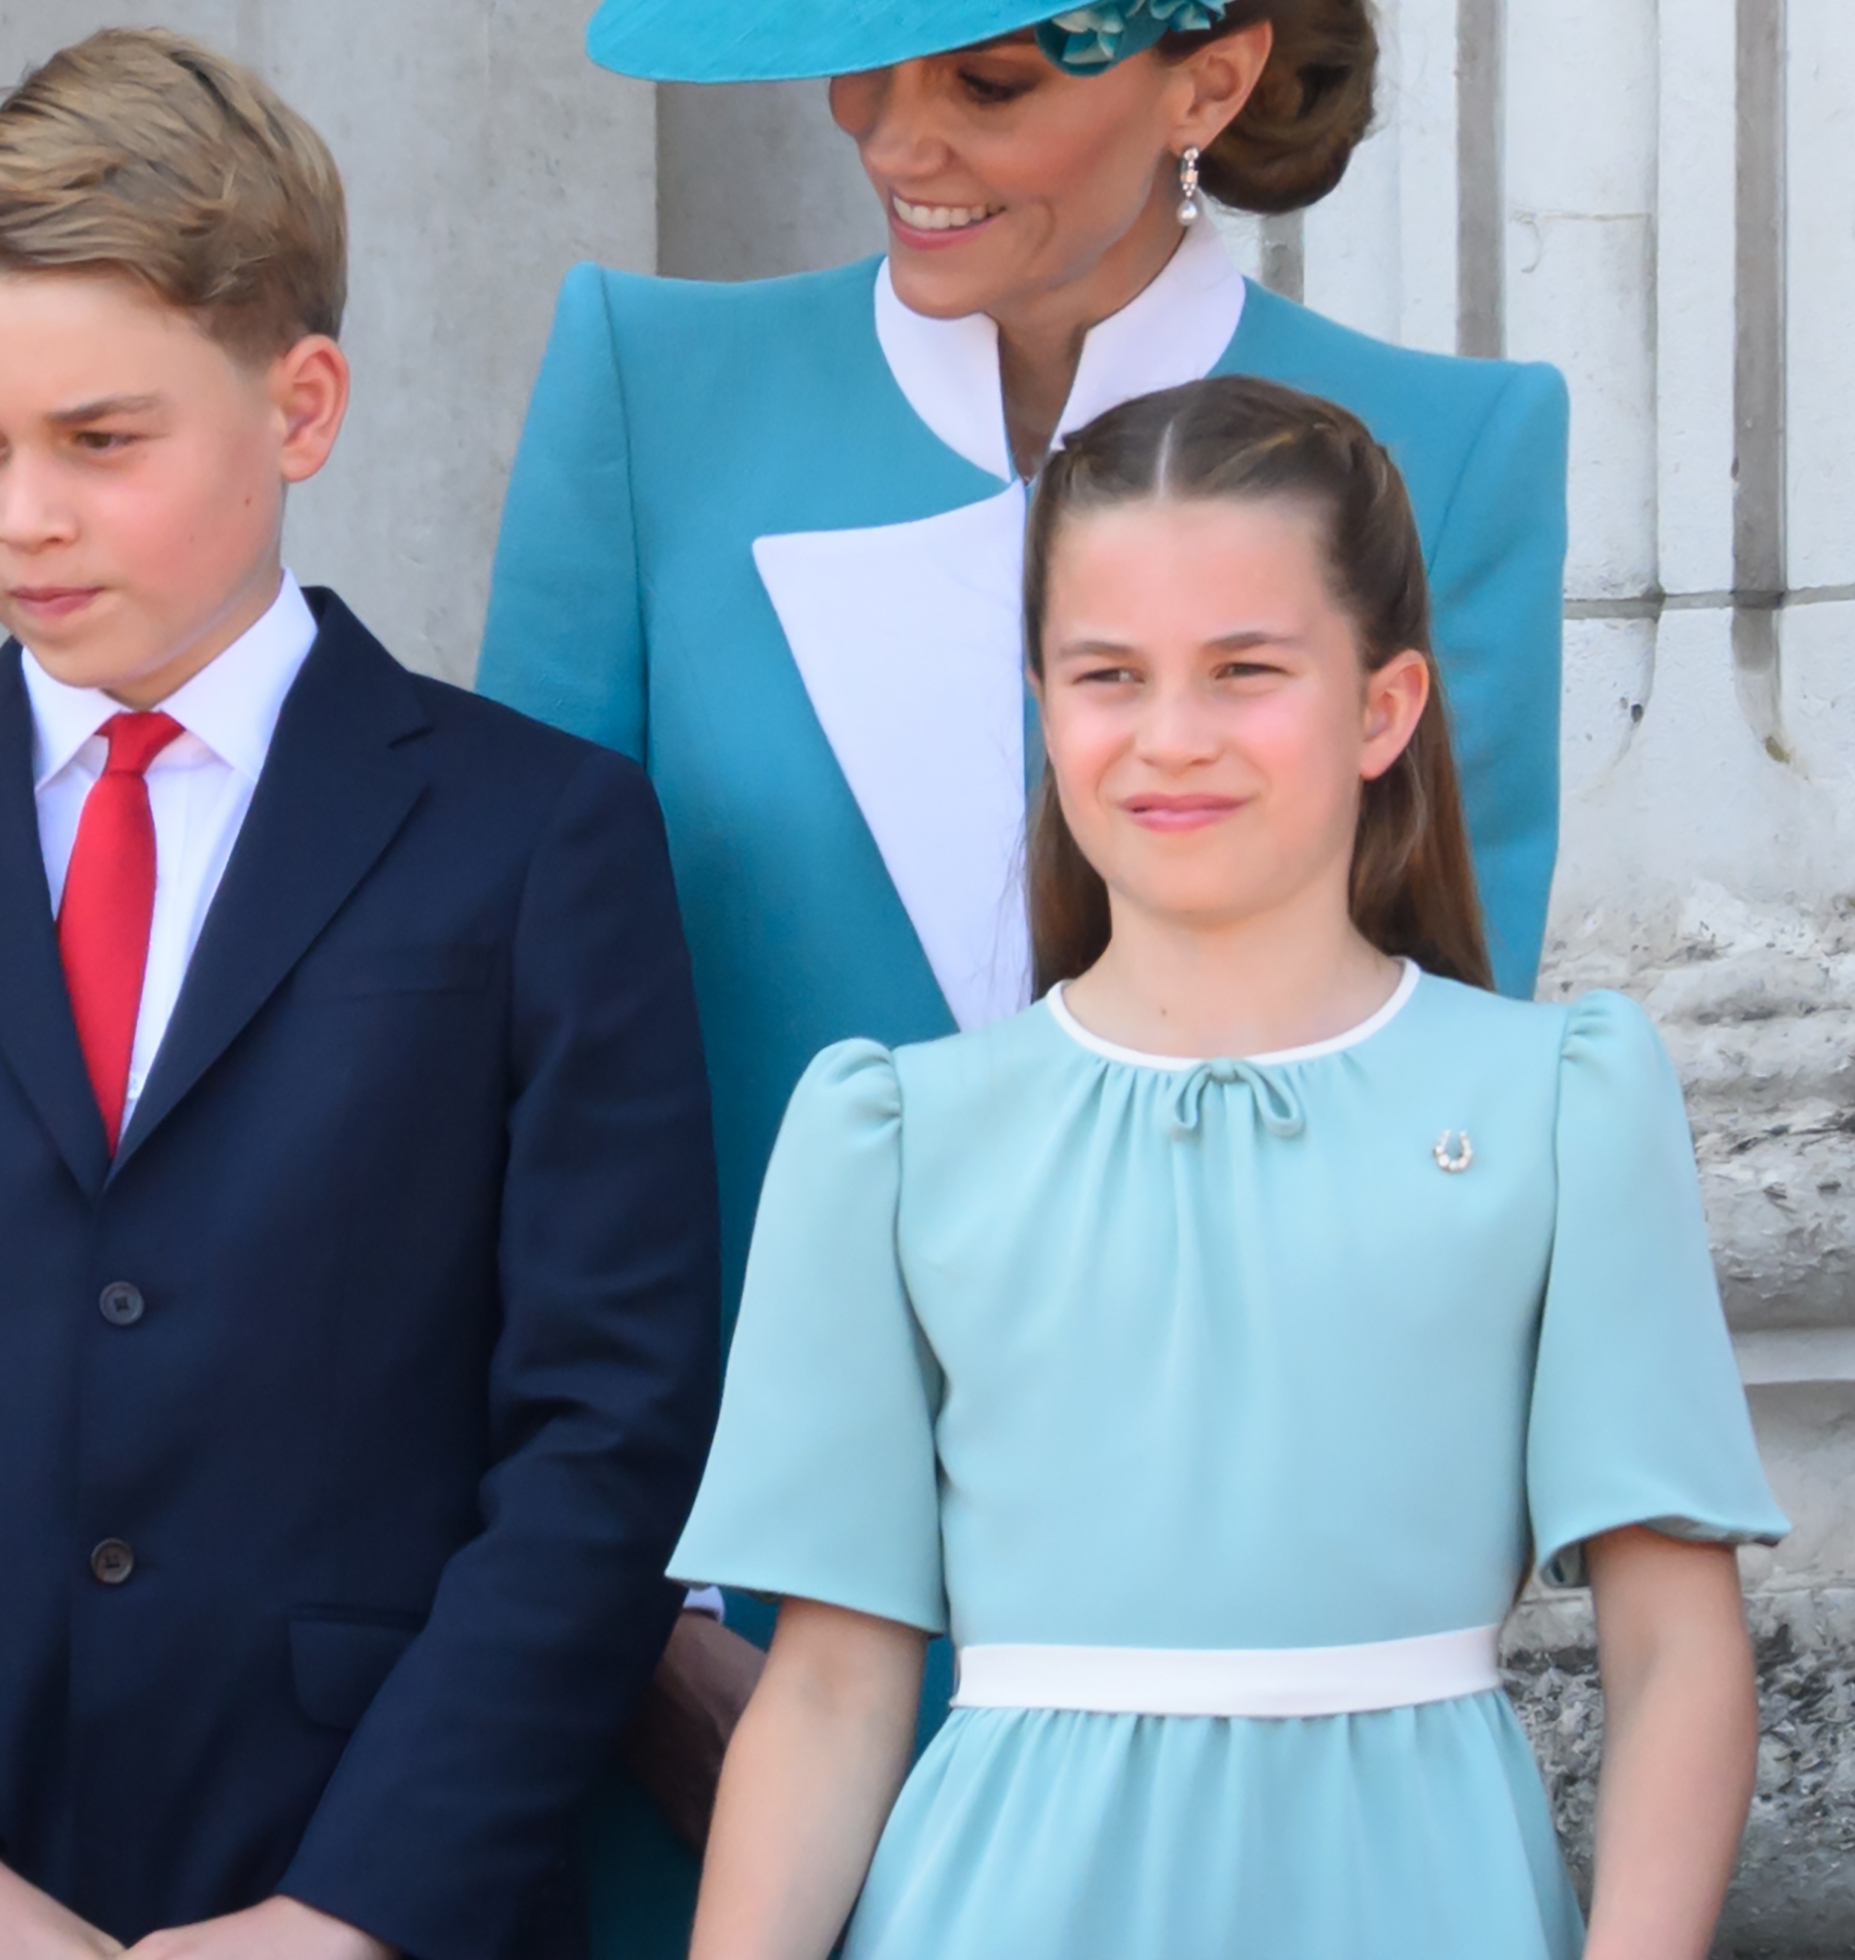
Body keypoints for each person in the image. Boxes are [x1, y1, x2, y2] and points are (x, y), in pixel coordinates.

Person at [0, 31, 723, 1960]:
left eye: (100, 442)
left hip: (371, 1885)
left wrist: (349, 1913)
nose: (19, 515)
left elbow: (601, 1437)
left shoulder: (537, 838)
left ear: (301, 407)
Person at [476, 2, 1570, 1942]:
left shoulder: (1457, 450)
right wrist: (630, 1632)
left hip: (1234, 1738)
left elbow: (1420, 1118)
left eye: (985, 82)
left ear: (1208, 80)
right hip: (710, 1691)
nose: (896, 137)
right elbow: (500, 1085)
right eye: (862, 62)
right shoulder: (649, 386)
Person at [672, 377, 1779, 1960]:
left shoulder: (1556, 1103)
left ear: (1382, 708)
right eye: (1106, 675)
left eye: (1243, 671)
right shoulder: (894, 1138)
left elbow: (1672, 1650)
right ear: (1042, 702)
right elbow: (832, 1691)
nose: (1169, 737)